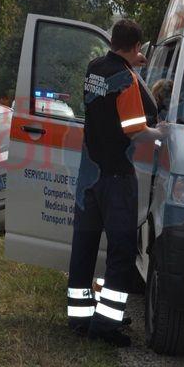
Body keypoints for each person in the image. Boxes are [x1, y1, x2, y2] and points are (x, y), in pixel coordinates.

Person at [66, 19, 167, 347]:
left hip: (89, 176)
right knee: (121, 252)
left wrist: (132, 64)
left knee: (83, 247)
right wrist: (162, 133)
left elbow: (108, 95)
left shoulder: (94, 68)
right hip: (116, 179)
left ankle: (79, 319)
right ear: (136, 47)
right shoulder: (126, 80)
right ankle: (106, 326)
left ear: (112, 40)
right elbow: (136, 131)